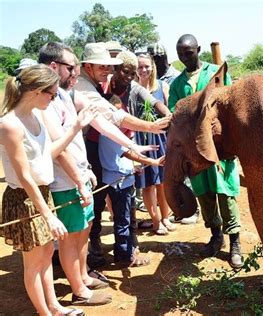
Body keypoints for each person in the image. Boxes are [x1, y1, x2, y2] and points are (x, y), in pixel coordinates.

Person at [0, 64, 96, 315]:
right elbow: (24, 176)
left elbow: (47, 156)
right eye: (51, 94)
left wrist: (75, 127)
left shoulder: (37, 116)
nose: (53, 99)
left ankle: (54, 307)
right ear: (36, 91)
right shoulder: (10, 125)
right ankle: (45, 313)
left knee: (45, 256)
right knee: (34, 262)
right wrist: (48, 215)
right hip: (25, 199)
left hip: (42, 194)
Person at [75, 42, 171, 265]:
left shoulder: (127, 87)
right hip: (98, 153)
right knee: (99, 205)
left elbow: (153, 101)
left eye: (132, 72)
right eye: (107, 67)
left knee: (122, 211)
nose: (127, 76)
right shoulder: (89, 88)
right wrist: (151, 129)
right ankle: (99, 252)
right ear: (89, 67)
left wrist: (166, 116)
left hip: (115, 155)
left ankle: (123, 250)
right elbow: (112, 118)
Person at [38, 42, 112, 306]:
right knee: (71, 236)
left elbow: (77, 144)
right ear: (53, 67)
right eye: (72, 68)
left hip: (79, 177)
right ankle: (79, 290)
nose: (76, 73)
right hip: (64, 183)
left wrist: (86, 170)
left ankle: (83, 276)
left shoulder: (62, 95)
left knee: (84, 230)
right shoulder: (43, 101)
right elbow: (60, 150)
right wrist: (79, 180)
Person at [169, 34, 243, 269]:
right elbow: (176, 115)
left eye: (189, 53)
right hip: (195, 151)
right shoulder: (177, 84)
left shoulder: (216, 72)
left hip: (220, 147)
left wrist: (232, 143)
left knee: (226, 193)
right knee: (204, 194)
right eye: (181, 54)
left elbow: (231, 105)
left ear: (198, 50)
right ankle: (215, 235)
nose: (185, 58)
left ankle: (235, 243)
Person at [98, 123, 166, 267]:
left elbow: (121, 157)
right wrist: (152, 161)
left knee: (127, 220)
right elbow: (127, 153)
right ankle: (125, 256)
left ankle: (125, 251)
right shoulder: (110, 135)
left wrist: (133, 167)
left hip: (123, 180)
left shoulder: (114, 134)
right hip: (119, 184)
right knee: (123, 220)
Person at [135, 52, 176, 234]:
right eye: (140, 66)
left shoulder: (162, 86)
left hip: (161, 138)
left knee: (163, 181)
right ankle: (156, 221)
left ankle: (166, 217)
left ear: (153, 66)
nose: (143, 70)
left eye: (146, 66)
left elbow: (167, 111)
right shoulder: (132, 89)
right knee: (148, 183)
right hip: (140, 139)